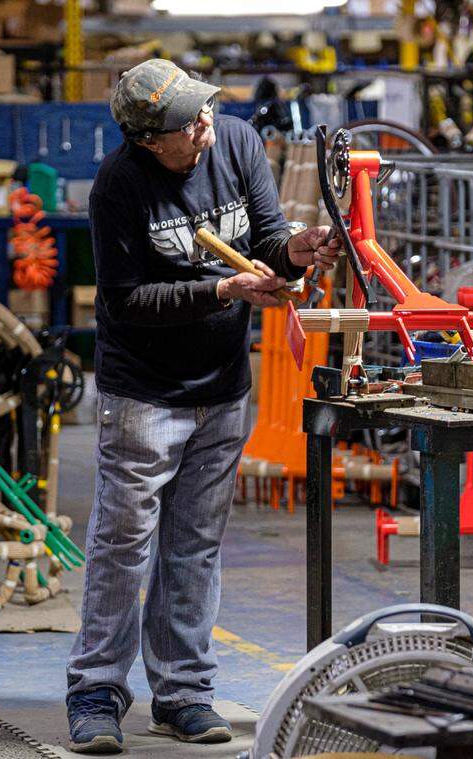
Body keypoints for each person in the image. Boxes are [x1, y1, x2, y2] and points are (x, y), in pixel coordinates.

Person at [65, 58, 339, 754]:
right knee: (122, 547)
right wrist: (223, 291)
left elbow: (269, 237)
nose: (204, 123)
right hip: (144, 395)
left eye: (205, 108)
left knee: (195, 547)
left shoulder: (239, 143)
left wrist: (296, 252)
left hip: (221, 389)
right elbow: (126, 304)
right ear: (148, 139)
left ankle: (183, 692)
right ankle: (96, 689)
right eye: (188, 121)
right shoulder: (120, 186)